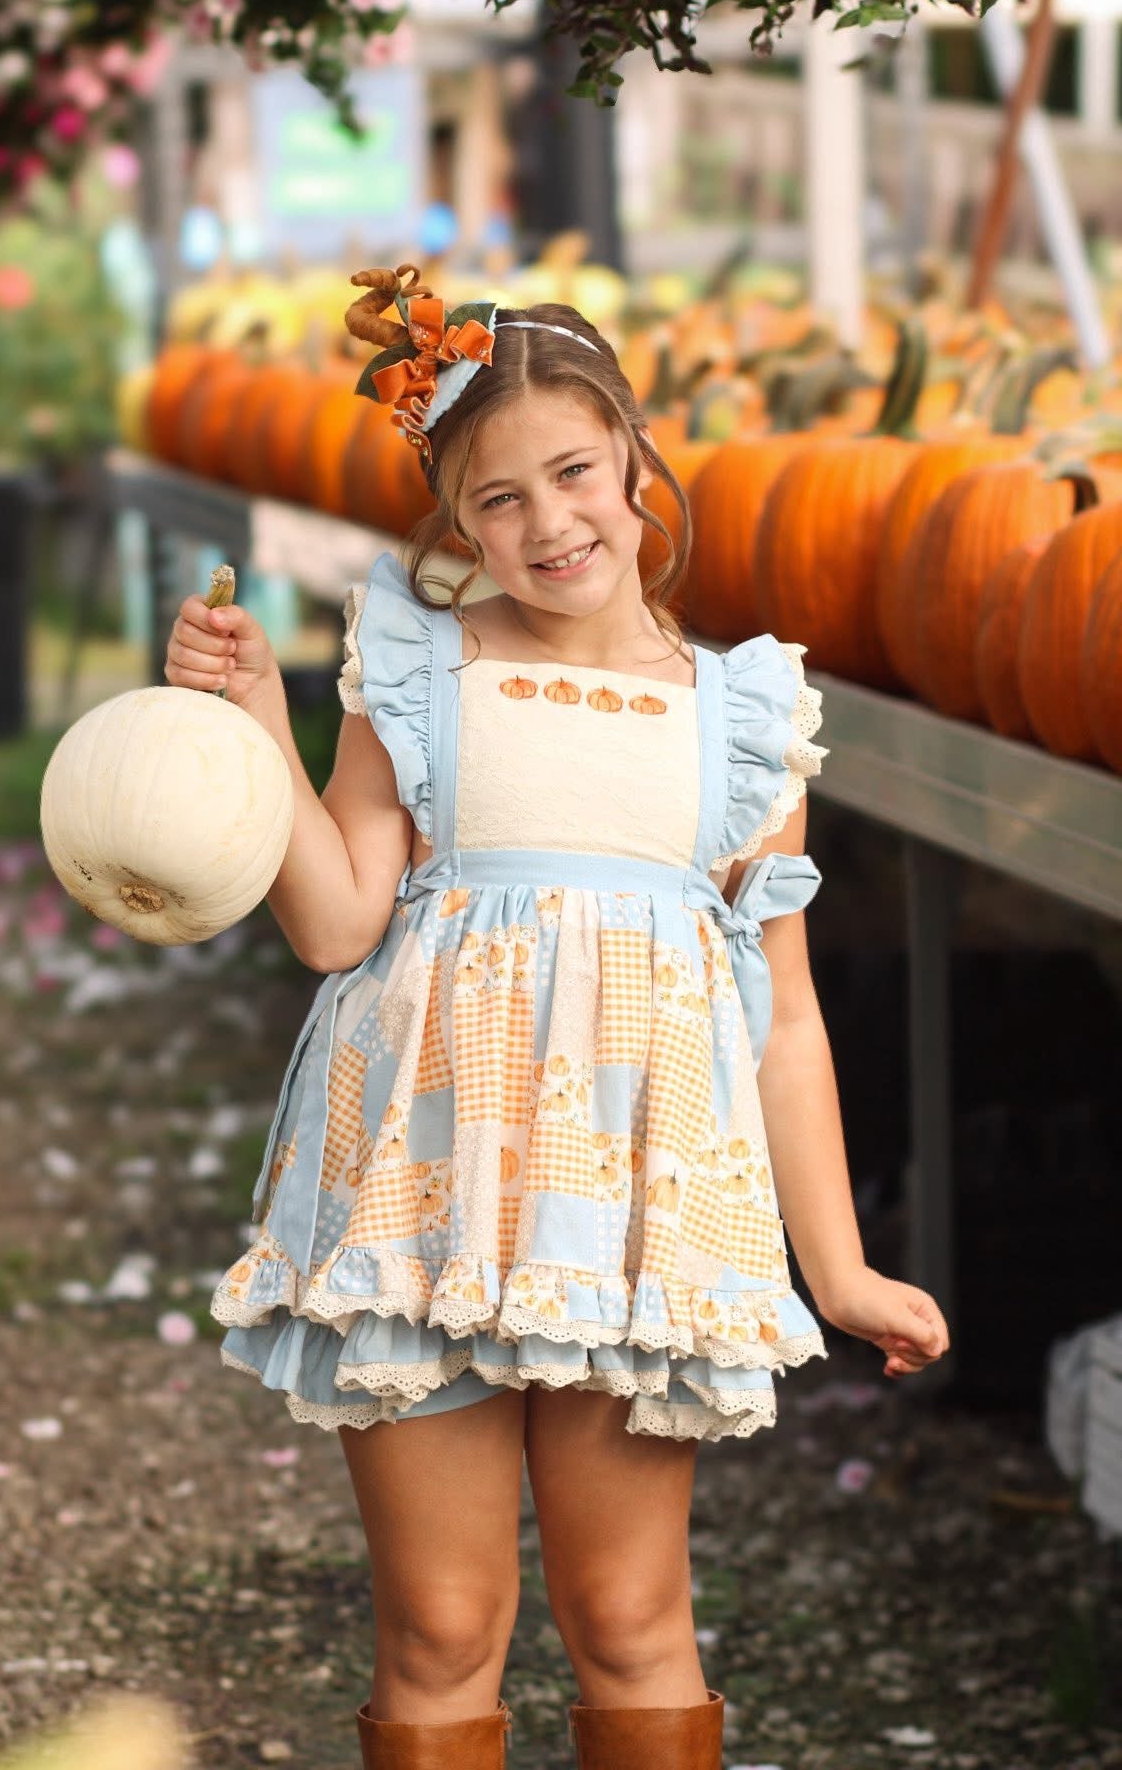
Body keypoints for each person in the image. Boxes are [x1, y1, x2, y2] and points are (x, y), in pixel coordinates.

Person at [164, 266, 951, 1770]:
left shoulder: (738, 721)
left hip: (635, 1228)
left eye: (574, 473)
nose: (548, 523)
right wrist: (255, 723)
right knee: (443, 1628)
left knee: (631, 1613)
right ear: (457, 526)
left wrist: (836, 1267)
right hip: (423, 1201)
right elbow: (336, 920)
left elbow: (781, 1018)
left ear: (637, 464)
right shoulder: (421, 676)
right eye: (496, 500)